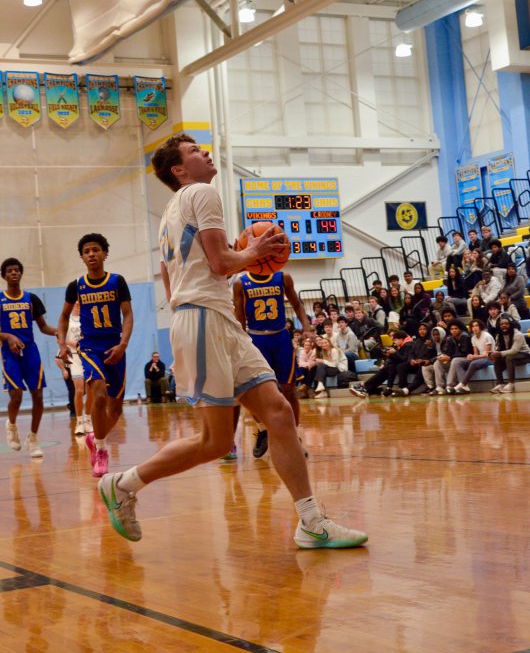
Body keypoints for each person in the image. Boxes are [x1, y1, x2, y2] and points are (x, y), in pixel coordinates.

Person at [97, 133, 367, 548]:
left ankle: (312, 521)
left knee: (278, 412)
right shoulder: (201, 192)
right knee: (215, 441)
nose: (205, 153)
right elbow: (223, 263)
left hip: (214, 318)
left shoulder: (171, 209)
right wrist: (255, 250)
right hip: (204, 319)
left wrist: (195, 305)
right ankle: (124, 484)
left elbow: (172, 276)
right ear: (179, 169)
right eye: (194, 152)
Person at [57, 233, 134, 478]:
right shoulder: (76, 286)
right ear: (82, 257)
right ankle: (101, 450)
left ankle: (94, 438)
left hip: (115, 346)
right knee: (98, 396)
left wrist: (122, 344)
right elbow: (63, 317)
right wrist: (61, 343)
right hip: (90, 348)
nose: (91, 254)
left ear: (105, 253)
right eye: (87, 251)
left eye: (96, 249)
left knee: (116, 410)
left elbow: (128, 315)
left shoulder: (117, 281)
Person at [233, 267, 312, 457]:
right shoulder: (240, 283)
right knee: (254, 393)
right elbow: (239, 315)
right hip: (256, 339)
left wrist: (306, 327)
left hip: (280, 338)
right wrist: (241, 341)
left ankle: (293, 437)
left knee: (288, 389)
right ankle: (262, 429)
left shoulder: (283, 277)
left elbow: (297, 304)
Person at [0, 258, 57, 457]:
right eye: (10, 271)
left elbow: (43, 327)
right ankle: (12, 425)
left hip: (30, 351)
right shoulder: (0, 299)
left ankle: (33, 438)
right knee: (16, 396)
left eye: (17, 270)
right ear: (4, 276)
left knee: (38, 396)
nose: (14, 273)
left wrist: (59, 332)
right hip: (10, 353)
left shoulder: (31, 299)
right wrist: (8, 336)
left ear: (21, 274)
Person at [57, 301, 93, 435]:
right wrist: (72, 343)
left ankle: (88, 420)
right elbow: (59, 338)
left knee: (91, 391)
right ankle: (79, 422)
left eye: (80, 302)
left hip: (88, 356)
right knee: (78, 390)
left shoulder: (87, 317)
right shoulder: (67, 320)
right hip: (75, 357)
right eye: (76, 302)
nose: (78, 304)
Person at [490, 315, 530, 394]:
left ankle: (511, 384)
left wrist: (500, 353)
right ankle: (500, 383)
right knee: (497, 360)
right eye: (502, 324)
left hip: (524, 354)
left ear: (510, 325)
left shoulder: (518, 334)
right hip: (510, 355)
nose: (504, 325)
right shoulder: (499, 335)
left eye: (506, 324)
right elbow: (497, 348)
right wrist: (493, 354)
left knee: (509, 357)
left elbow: (514, 350)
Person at [452, 319, 494, 393]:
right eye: (472, 326)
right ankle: (465, 387)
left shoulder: (487, 336)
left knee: (473, 363)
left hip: (491, 358)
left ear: (480, 327)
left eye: (476, 326)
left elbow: (487, 354)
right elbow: (476, 354)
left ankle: (462, 384)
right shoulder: (473, 338)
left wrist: (474, 357)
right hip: (481, 358)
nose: (475, 328)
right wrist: (471, 356)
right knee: (459, 363)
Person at [433, 320, 473, 394]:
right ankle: (440, 386)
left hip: (467, 359)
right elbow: (449, 351)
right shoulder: (451, 338)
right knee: (437, 362)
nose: (453, 330)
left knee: (455, 360)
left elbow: (464, 352)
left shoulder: (465, 337)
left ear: (460, 329)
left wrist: (450, 357)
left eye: (456, 328)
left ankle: (450, 385)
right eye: (452, 329)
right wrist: (443, 356)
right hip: (455, 359)